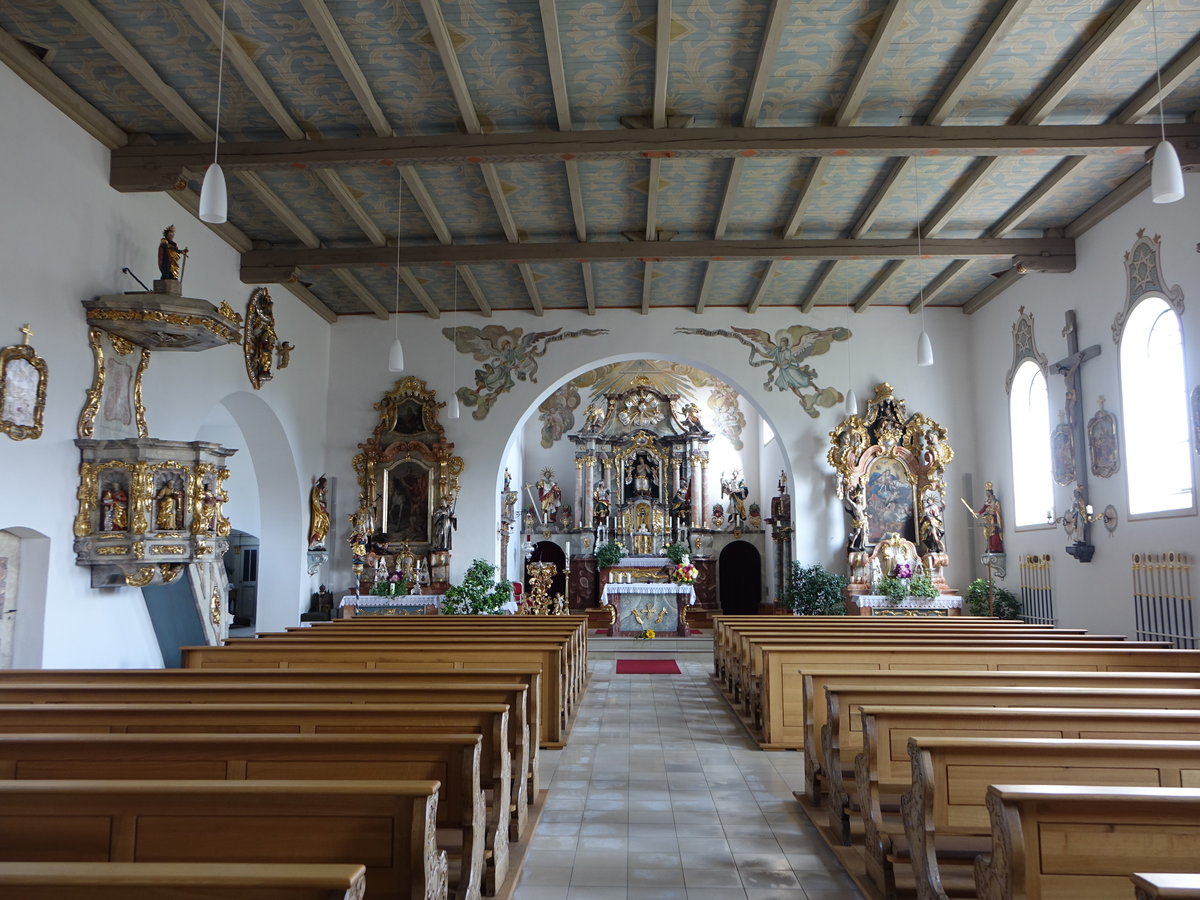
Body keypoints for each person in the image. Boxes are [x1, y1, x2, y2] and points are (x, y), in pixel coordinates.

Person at [968, 482, 1005, 553]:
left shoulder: (996, 502)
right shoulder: (988, 502)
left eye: (988, 494)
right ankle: (989, 548)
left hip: (994, 521)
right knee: (988, 535)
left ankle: (996, 548)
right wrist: (977, 514)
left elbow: (997, 512)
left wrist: (992, 512)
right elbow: (983, 509)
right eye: (986, 494)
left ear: (990, 493)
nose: (987, 496)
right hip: (987, 521)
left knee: (994, 535)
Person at [308, 475, 330, 550]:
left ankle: (320, 539)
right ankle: (315, 540)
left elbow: (324, 501)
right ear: (322, 483)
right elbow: (315, 500)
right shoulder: (316, 489)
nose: (326, 485)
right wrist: (320, 508)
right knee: (319, 524)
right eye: (325, 483)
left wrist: (324, 495)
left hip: (322, 509)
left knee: (325, 523)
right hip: (319, 510)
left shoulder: (322, 491)